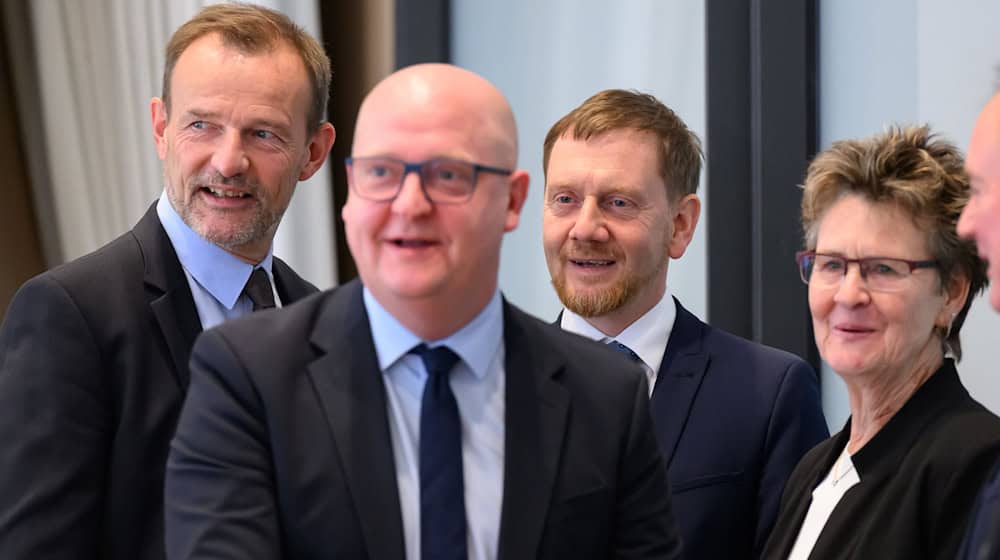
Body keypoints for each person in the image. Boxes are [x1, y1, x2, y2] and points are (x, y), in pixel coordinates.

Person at [164, 64, 683, 560]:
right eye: (382, 172)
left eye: (448, 175)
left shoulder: (606, 394)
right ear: (349, 193)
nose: (410, 204)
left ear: (512, 200)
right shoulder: (249, 375)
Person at [0, 4, 335, 559]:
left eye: (263, 134)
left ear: (313, 153)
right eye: (201, 124)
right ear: (161, 128)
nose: (229, 162)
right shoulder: (71, 315)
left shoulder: (324, 319)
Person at [541, 89, 828, 559]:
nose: (585, 228)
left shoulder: (768, 396)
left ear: (680, 225)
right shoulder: (491, 388)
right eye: (565, 199)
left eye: (618, 203)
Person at [761, 125, 1000, 559]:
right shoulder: (813, 470)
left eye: (883, 269)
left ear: (952, 292)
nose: (849, 295)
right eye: (832, 265)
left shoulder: (977, 463)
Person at [957, 92, 1000, 560]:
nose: (965, 225)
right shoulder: (815, 470)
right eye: (830, 264)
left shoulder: (971, 454)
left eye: (981, 190)